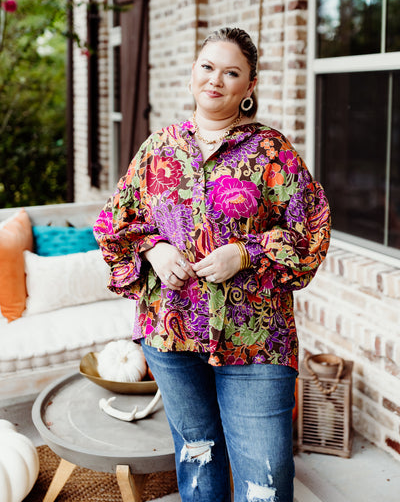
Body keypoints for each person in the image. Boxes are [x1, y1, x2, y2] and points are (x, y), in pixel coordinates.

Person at [94, 27, 331, 502]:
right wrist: (153, 249)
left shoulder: (272, 152)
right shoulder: (158, 148)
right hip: (171, 335)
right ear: (191, 75)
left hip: (256, 342)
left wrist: (244, 252)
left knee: (264, 484)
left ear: (249, 86)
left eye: (232, 72)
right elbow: (115, 220)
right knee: (198, 466)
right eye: (208, 67)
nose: (216, 80)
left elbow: (312, 231)